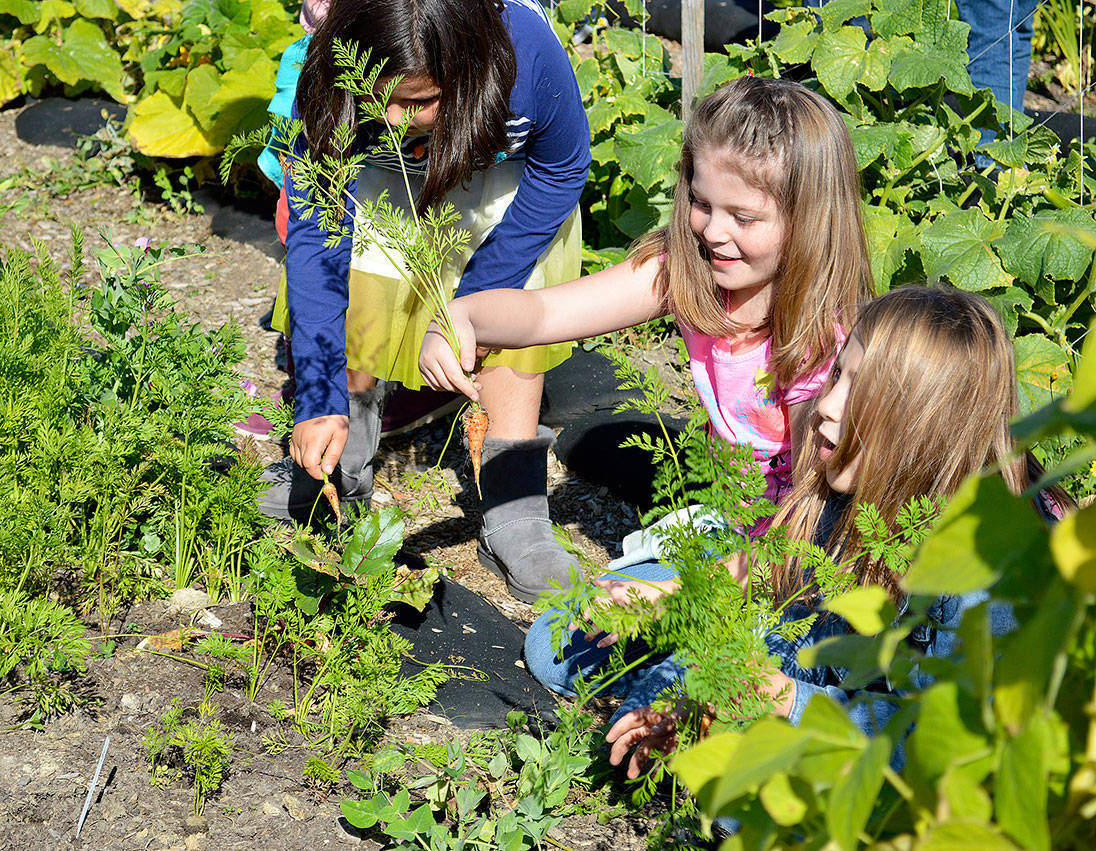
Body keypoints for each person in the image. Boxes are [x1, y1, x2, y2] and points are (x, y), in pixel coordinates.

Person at [518, 286, 1072, 780]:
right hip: (799, 650)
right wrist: (687, 600)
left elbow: (939, 746)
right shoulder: (840, 481)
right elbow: (778, 581)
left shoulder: (983, 569)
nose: (827, 407)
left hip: (876, 733)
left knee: (751, 789)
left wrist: (778, 699)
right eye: (838, 376)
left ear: (925, 427)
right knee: (563, 646)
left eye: (862, 394)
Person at [420, 75, 874, 545]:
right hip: (731, 523)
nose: (714, 231)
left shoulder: (821, 337)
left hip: (802, 546)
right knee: (572, 619)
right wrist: (462, 316)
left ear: (810, 218)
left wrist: (736, 579)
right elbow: (543, 315)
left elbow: (813, 496)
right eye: (701, 203)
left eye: (743, 218)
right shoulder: (688, 271)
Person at [261, 0, 592, 601]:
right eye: (376, 98)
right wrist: (317, 395)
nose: (393, 117)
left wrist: (476, 302)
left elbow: (562, 167)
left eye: (416, 101)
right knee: (363, 291)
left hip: (503, 181)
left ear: (464, 67)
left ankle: (515, 511)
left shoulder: (525, 60)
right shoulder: (331, 74)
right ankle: (338, 474)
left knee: (514, 318)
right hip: (384, 181)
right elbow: (317, 240)